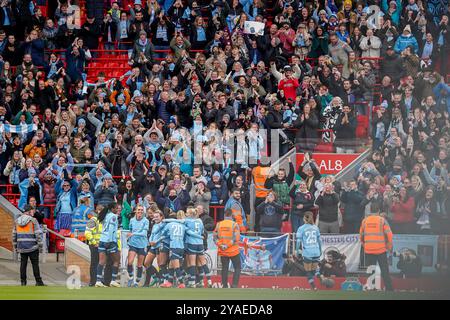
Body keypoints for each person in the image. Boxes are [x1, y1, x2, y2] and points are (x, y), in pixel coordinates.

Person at [359, 202, 394, 291]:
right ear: (379, 210)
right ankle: (389, 289)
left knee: (371, 270)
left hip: (369, 250)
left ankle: (372, 288)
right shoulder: (382, 220)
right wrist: (389, 246)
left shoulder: (365, 220)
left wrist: (364, 244)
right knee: (384, 270)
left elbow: (361, 235)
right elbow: (389, 234)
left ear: (370, 210)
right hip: (381, 250)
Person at [12, 205, 45, 286]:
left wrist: (16, 247)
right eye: (32, 210)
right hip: (33, 247)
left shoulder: (16, 221)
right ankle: (38, 281)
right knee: (35, 264)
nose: (33, 212)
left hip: (21, 246)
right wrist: (40, 246)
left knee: (23, 264)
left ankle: (23, 282)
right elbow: (38, 234)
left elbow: (14, 235)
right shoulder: (33, 220)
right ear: (29, 211)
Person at [95, 204, 121, 287]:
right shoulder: (113, 216)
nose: (117, 210)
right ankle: (113, 280)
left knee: (102, 261)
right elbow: (110, 228)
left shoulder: (105, 215)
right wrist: (110, 240)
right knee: (117, 260)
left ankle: (98, 281)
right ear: (112, 208)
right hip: (109, 241)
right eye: (116, 208)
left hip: (102, 240)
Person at [214, 209, 241, 288]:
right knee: (237, 267)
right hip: (233, 251)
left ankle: (224, 285)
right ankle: (234, 285)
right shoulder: (235, 225)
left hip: (223, 251)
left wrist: (221, 245)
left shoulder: (219, 224)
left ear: (224, 215)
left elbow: (215, 238)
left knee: (224, 268)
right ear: (231, 215)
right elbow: (236, 238)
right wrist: (227, 245)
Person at [296, 211, 322, 290]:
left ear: (304, 218)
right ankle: (320, 276)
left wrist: (297, 251)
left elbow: (298, 241)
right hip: (316, 251)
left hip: (308, 252)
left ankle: (314, 287)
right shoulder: (315, 227)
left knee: (308, 271)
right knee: (314, 270)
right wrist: (320, 250)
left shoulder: (301, 228)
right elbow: (319, 241)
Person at [126, 205, 149, 287]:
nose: (140, 211)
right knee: (130, 262)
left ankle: (137, 281)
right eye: (138, 209)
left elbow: (144, 234)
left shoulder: (146, 221)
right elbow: (130, 230)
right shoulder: (132, 220)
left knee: (139, 264)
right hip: (133, 243)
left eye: (142, 210)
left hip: (142, 244)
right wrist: (129, 236)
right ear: (135, 211)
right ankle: (131, 277)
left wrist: (133, 234)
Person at [84, 205, 103, 287]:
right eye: (100, 210)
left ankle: (98, 281)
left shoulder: (102, 221)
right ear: (97, 211)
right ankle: (93, 282)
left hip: (101, 245)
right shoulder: (93, 220)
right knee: (95, 263)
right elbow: (87, 233)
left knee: (99, 263)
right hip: (94, 245)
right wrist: (94, 242)